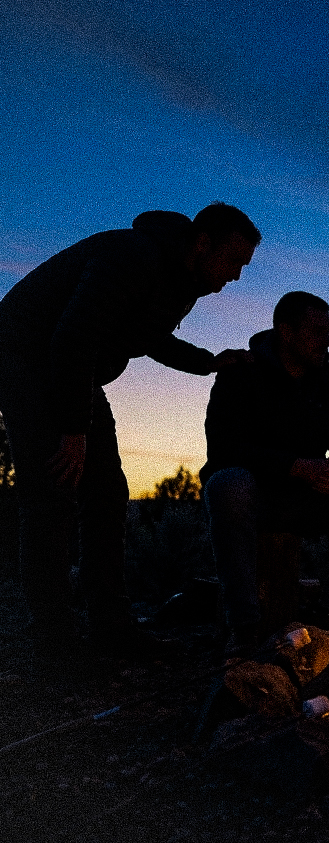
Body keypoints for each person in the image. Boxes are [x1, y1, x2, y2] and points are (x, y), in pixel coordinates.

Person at [0, 203, 260, 658]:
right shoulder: (133, 256)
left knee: (106, 493)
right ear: (203, 243)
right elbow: (74, 335)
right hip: (27, 360)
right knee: (51, 496)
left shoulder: (182, 278)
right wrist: (74, 430)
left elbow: (149, 337)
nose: (236, 276)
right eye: (234, 262)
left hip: (72, 369)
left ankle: (113, 630)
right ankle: (53, 643)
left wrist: (208, 362)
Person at [200, 291, 329, 651]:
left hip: (309, 500)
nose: (327, 340)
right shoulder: (241, 374)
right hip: (256, 496)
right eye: (317, 330)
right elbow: (226, 448)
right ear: (285, 332)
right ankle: (244, 627)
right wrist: (296, 467)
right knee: (227, 484)